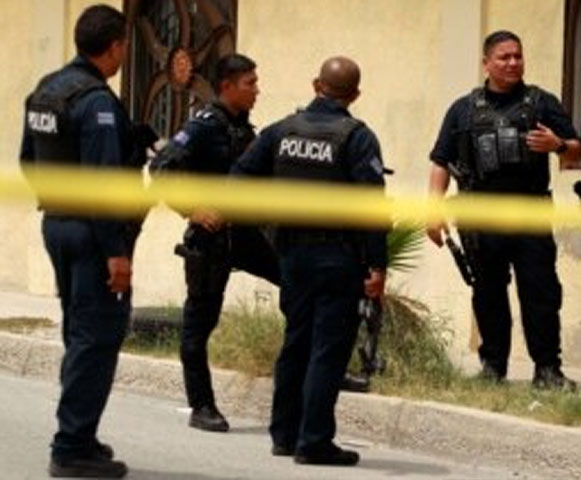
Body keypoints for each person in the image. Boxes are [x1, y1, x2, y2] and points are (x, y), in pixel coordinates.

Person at [232, 56, 387, 466]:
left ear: (316, 85)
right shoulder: (357, 137)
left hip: (291, 254)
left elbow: (240, 177)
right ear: (355, 94)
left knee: (296, 341)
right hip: (337, 256)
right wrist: (377, 265)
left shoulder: (282, 130)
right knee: (328, 349)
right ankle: (314, 440)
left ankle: (284, 435)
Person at [20, 5, 149, 477]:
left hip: (57, 224)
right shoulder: (96, 102)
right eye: (124, 46)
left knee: (79, 333)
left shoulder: (46, 91)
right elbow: (102, 184)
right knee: (96, 338)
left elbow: (28, 161)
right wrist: (116, 251)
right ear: (114, 46)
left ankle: (82, 434)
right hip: (94, 234)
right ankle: (71, 448)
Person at [427, 30, 581, 387]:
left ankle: (548, 370)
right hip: (481, 217)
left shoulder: (542, 103)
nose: (513, 63)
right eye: (504, 57)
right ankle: (493, 367)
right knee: (488, 293)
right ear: (486, 63)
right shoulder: (463, 109)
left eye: (517, 56)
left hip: (530, 213)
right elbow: (440, 161)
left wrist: (558, 145)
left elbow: (576, 152)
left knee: (541, 293)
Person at [150, 54, 280, 432]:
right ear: (227, 86)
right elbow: (160, 169)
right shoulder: (203, 125)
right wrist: (191, 210)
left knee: (297, 283)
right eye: (250, 83)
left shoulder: (243, 128)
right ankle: (201, 405)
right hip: (210, 239)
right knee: (199, 323)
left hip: (245, 233)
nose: (256, 90)